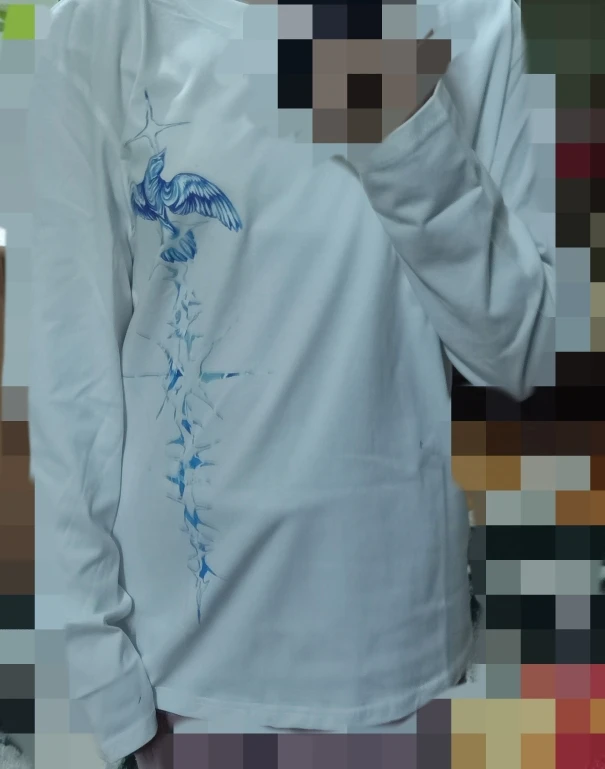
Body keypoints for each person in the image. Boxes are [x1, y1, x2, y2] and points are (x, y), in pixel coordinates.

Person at [26, 0, 554, 766]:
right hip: (188, 678)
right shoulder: (104, 24)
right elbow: (67, 378)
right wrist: (101, 690)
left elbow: (523, 351)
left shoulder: (474, 17)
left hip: (406, 657)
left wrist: (398, 127)